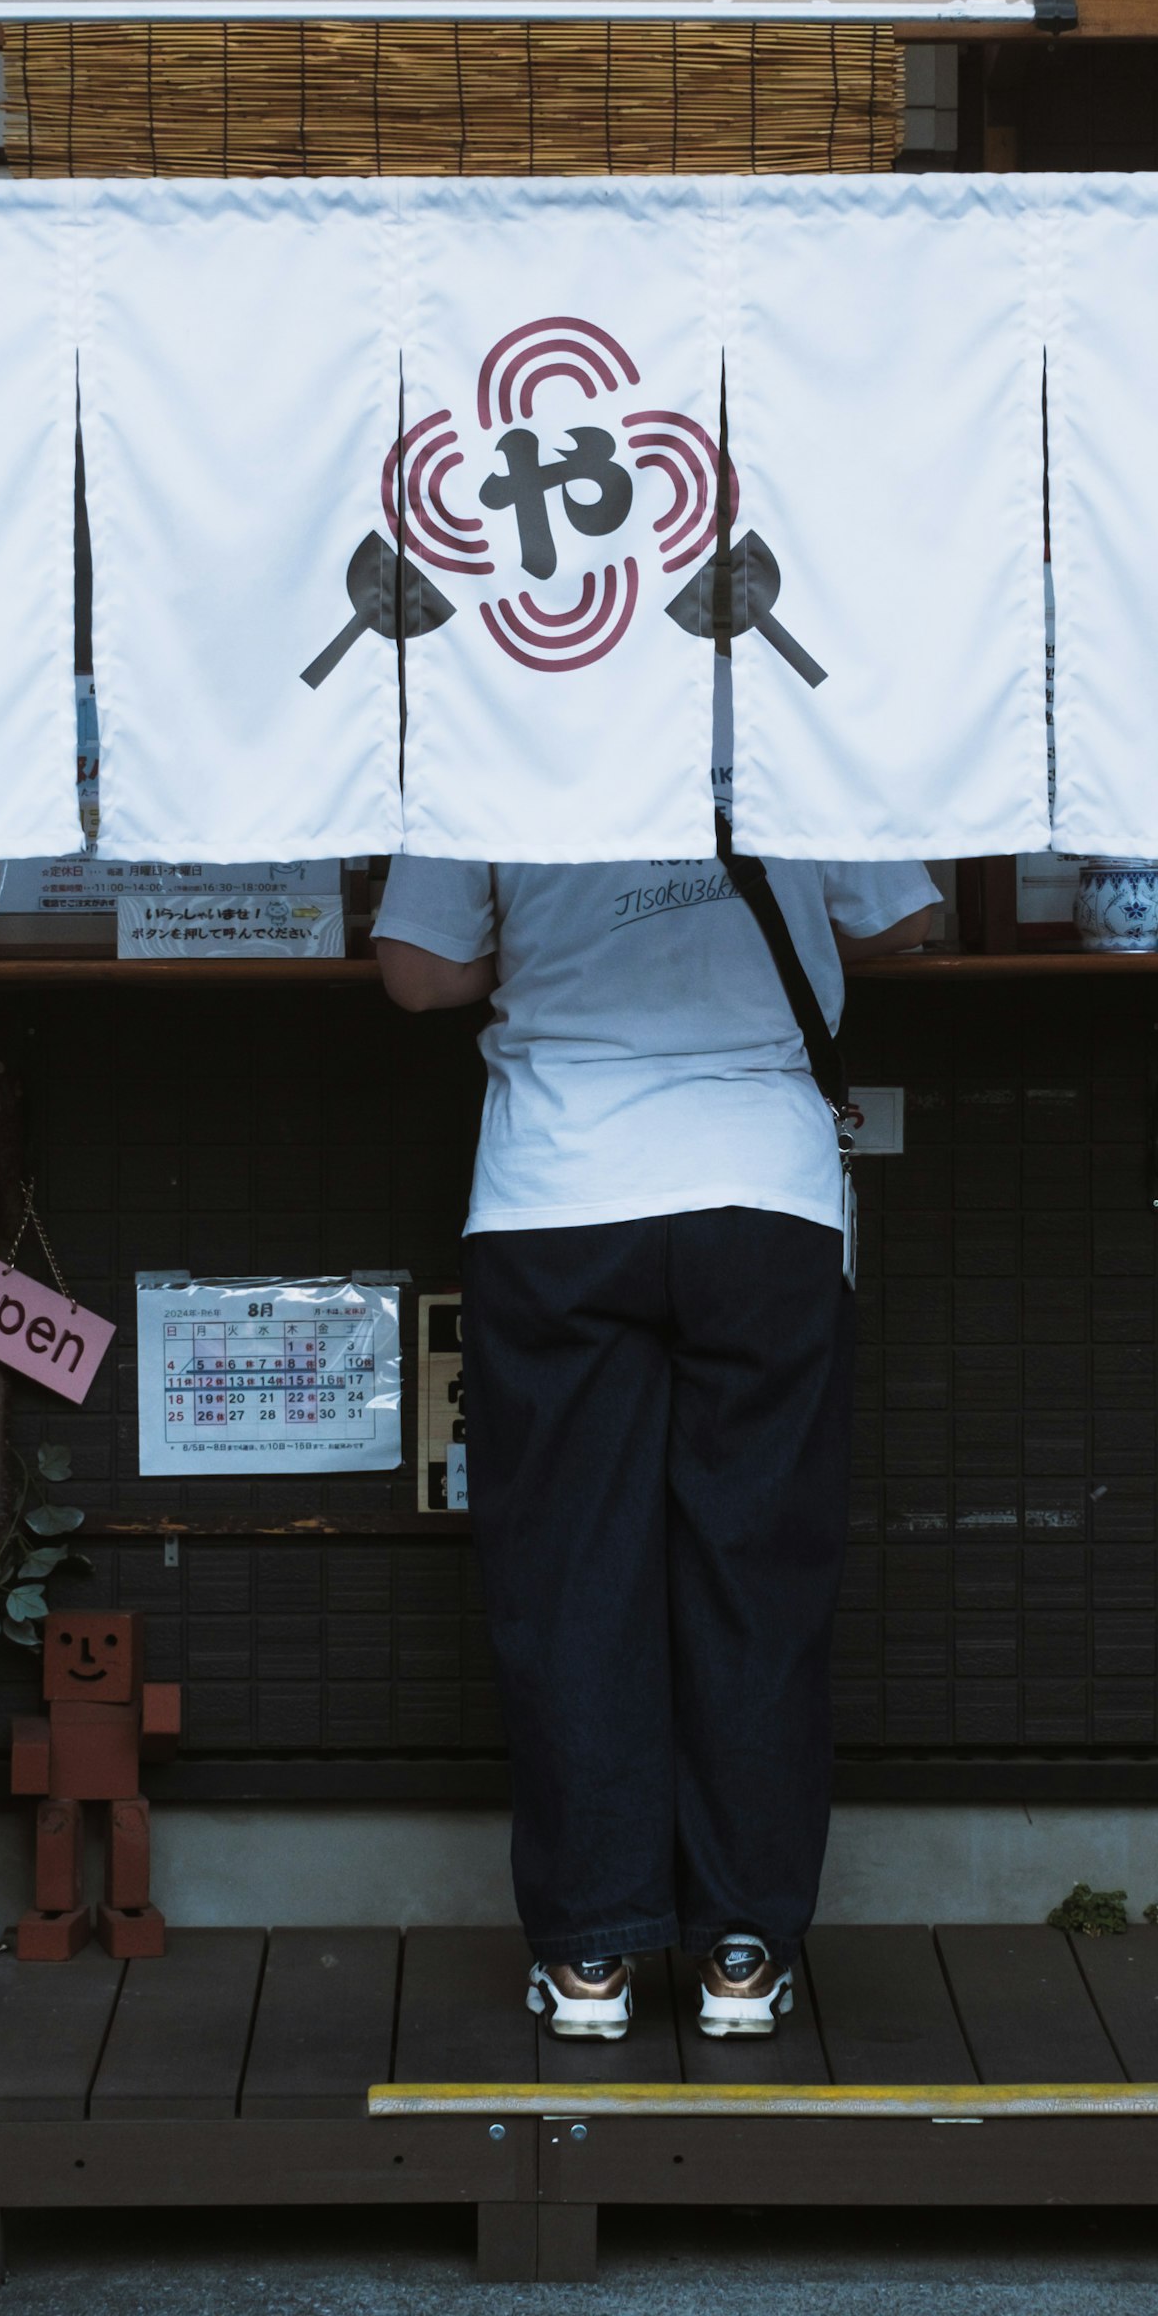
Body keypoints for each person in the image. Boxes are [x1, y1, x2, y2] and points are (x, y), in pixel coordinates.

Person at [376, 849, 942, 2041]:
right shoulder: (796, 707)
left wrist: (547, 952)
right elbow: (906, 924)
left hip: (556, 1192)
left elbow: (418, 975)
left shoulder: (498, 701)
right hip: (764, 1191)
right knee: (758, 1578)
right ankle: (744, 1950)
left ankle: (592, 1957)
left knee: (571, 1578)